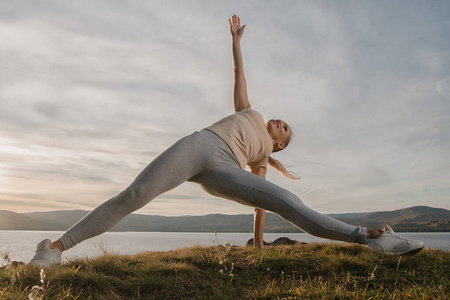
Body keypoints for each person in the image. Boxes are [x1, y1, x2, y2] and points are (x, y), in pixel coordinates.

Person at [30, 15, 424, 267]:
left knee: (289, 202)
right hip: (201, 144)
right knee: (133, 197)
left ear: (280, 146)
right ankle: (55, 249)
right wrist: (235, 40)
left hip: (224, 170)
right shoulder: (248, 111)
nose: (281, 123)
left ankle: (373, 239)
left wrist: (257, 244)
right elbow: (238, 72)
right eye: (282, 122)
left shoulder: (264, 159)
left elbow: (260, 205)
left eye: (286, 130)